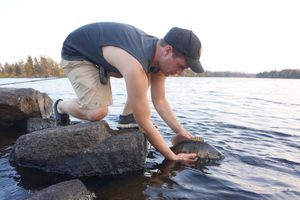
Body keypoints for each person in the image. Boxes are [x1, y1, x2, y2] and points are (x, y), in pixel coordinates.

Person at [54, 22, 204, 163]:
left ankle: (127, 117)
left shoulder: (158, 59)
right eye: (180, 66)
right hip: (78, 52)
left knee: (144, 77)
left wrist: (180, 131)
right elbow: (145, 124)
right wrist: (172, 157)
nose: (180, 73)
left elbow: (159, 100)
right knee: (97, 112)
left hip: (105, 55)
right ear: (167, 50)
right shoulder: (135, 63)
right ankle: (60, 106)